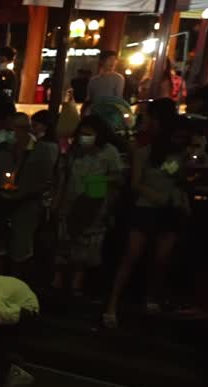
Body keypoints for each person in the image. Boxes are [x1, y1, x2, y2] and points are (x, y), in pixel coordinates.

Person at [103, 99, 187, 327]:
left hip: (168, 209)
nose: (148, 122)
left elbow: (180, 179)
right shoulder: (143, 150)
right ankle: (113, 304)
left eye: (151, 118)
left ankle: (149, 298)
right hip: (147, 208)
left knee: (161, 258)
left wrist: (177, 194)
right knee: (132, 255)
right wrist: (158, 195)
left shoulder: (177, 152)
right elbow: (135, 183)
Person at [52, 115, 123, 294]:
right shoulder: (73, 151)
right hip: (70, 202)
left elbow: (118, 177)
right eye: (82, 134)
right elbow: (63, 177)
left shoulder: (109, 152)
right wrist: (57, 201)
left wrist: (100, 180)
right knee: (64, 242)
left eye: (89, 134)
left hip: (95, 203)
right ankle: (58, 280)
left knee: (85, 244)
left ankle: (77, 282)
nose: (85, 137)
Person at [0, 112, 58, 274]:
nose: (9, 134)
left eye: (12, 130)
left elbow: (47, 179)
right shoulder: (1, 150)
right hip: (1, 203)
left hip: (27, 205)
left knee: (21, 246)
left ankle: (17, 280)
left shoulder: (41, 151)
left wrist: (26, 190)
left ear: (24, 129)